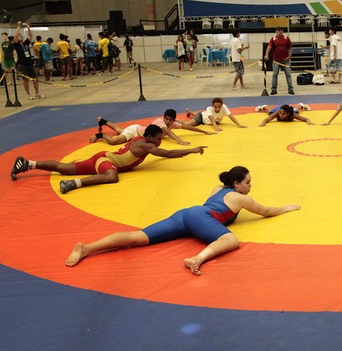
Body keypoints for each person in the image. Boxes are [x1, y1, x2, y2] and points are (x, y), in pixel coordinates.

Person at [65, 166, 301, 274]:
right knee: (231, 240)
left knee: (138, 237)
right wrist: (288, 207)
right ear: (237, 184)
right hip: (200, 217)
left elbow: (209, 209)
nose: (250, 186)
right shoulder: (240, 198)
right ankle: (196, 259)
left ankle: (86, 248)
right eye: (248, 182)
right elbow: (266, 211)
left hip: (187, 214)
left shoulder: (218, 187)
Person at [11, 124, 207, 194]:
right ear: (149, 137)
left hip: (102, 157)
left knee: (64, 166)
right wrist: (193, 150)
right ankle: (73, 184)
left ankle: (28, 163)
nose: (159, 142)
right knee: (111, 176)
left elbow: (158, 153)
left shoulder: (142, 140)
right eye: (158, 139)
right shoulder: (146, 145)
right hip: (107, 162)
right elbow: (170, 154)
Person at [91, 109, 214, 145]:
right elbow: (169, 133)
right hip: (136, 132)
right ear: (163, 117)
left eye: (170, 120)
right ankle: (100, 135)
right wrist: (181, 142)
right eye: (166, 119)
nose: (168, 122)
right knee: (114, 141)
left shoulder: (172, 124)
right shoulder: (160, 122)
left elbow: (187, 127)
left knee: (119, 130)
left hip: (137, 128)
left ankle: (103, 121)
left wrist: (204, 132)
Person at [14, 22, 45, 100]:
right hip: (22, 64)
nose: (19, 37)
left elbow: (30, 36)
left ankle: (37, 93)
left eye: (20, 36)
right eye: (18, 36)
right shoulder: (16, 44)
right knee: (26, 80)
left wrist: (28, 27)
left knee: (35, 78)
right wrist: (18, 26)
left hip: (29, 63)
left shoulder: (25, 43)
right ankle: (28, 95)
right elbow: (15, 36)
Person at [264, 27, 294, 95]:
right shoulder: (273, 38)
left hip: (285, 60)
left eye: (281, 30)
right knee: (274, 74)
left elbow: (291, 47)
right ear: (276, 31)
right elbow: (269, 47)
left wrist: (289, 56)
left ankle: (290, 89)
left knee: (288, 74)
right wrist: (266, 55)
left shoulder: (286, 38)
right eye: (278, 30)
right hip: (276, 60)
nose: (280, 32)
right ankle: (274, 89)